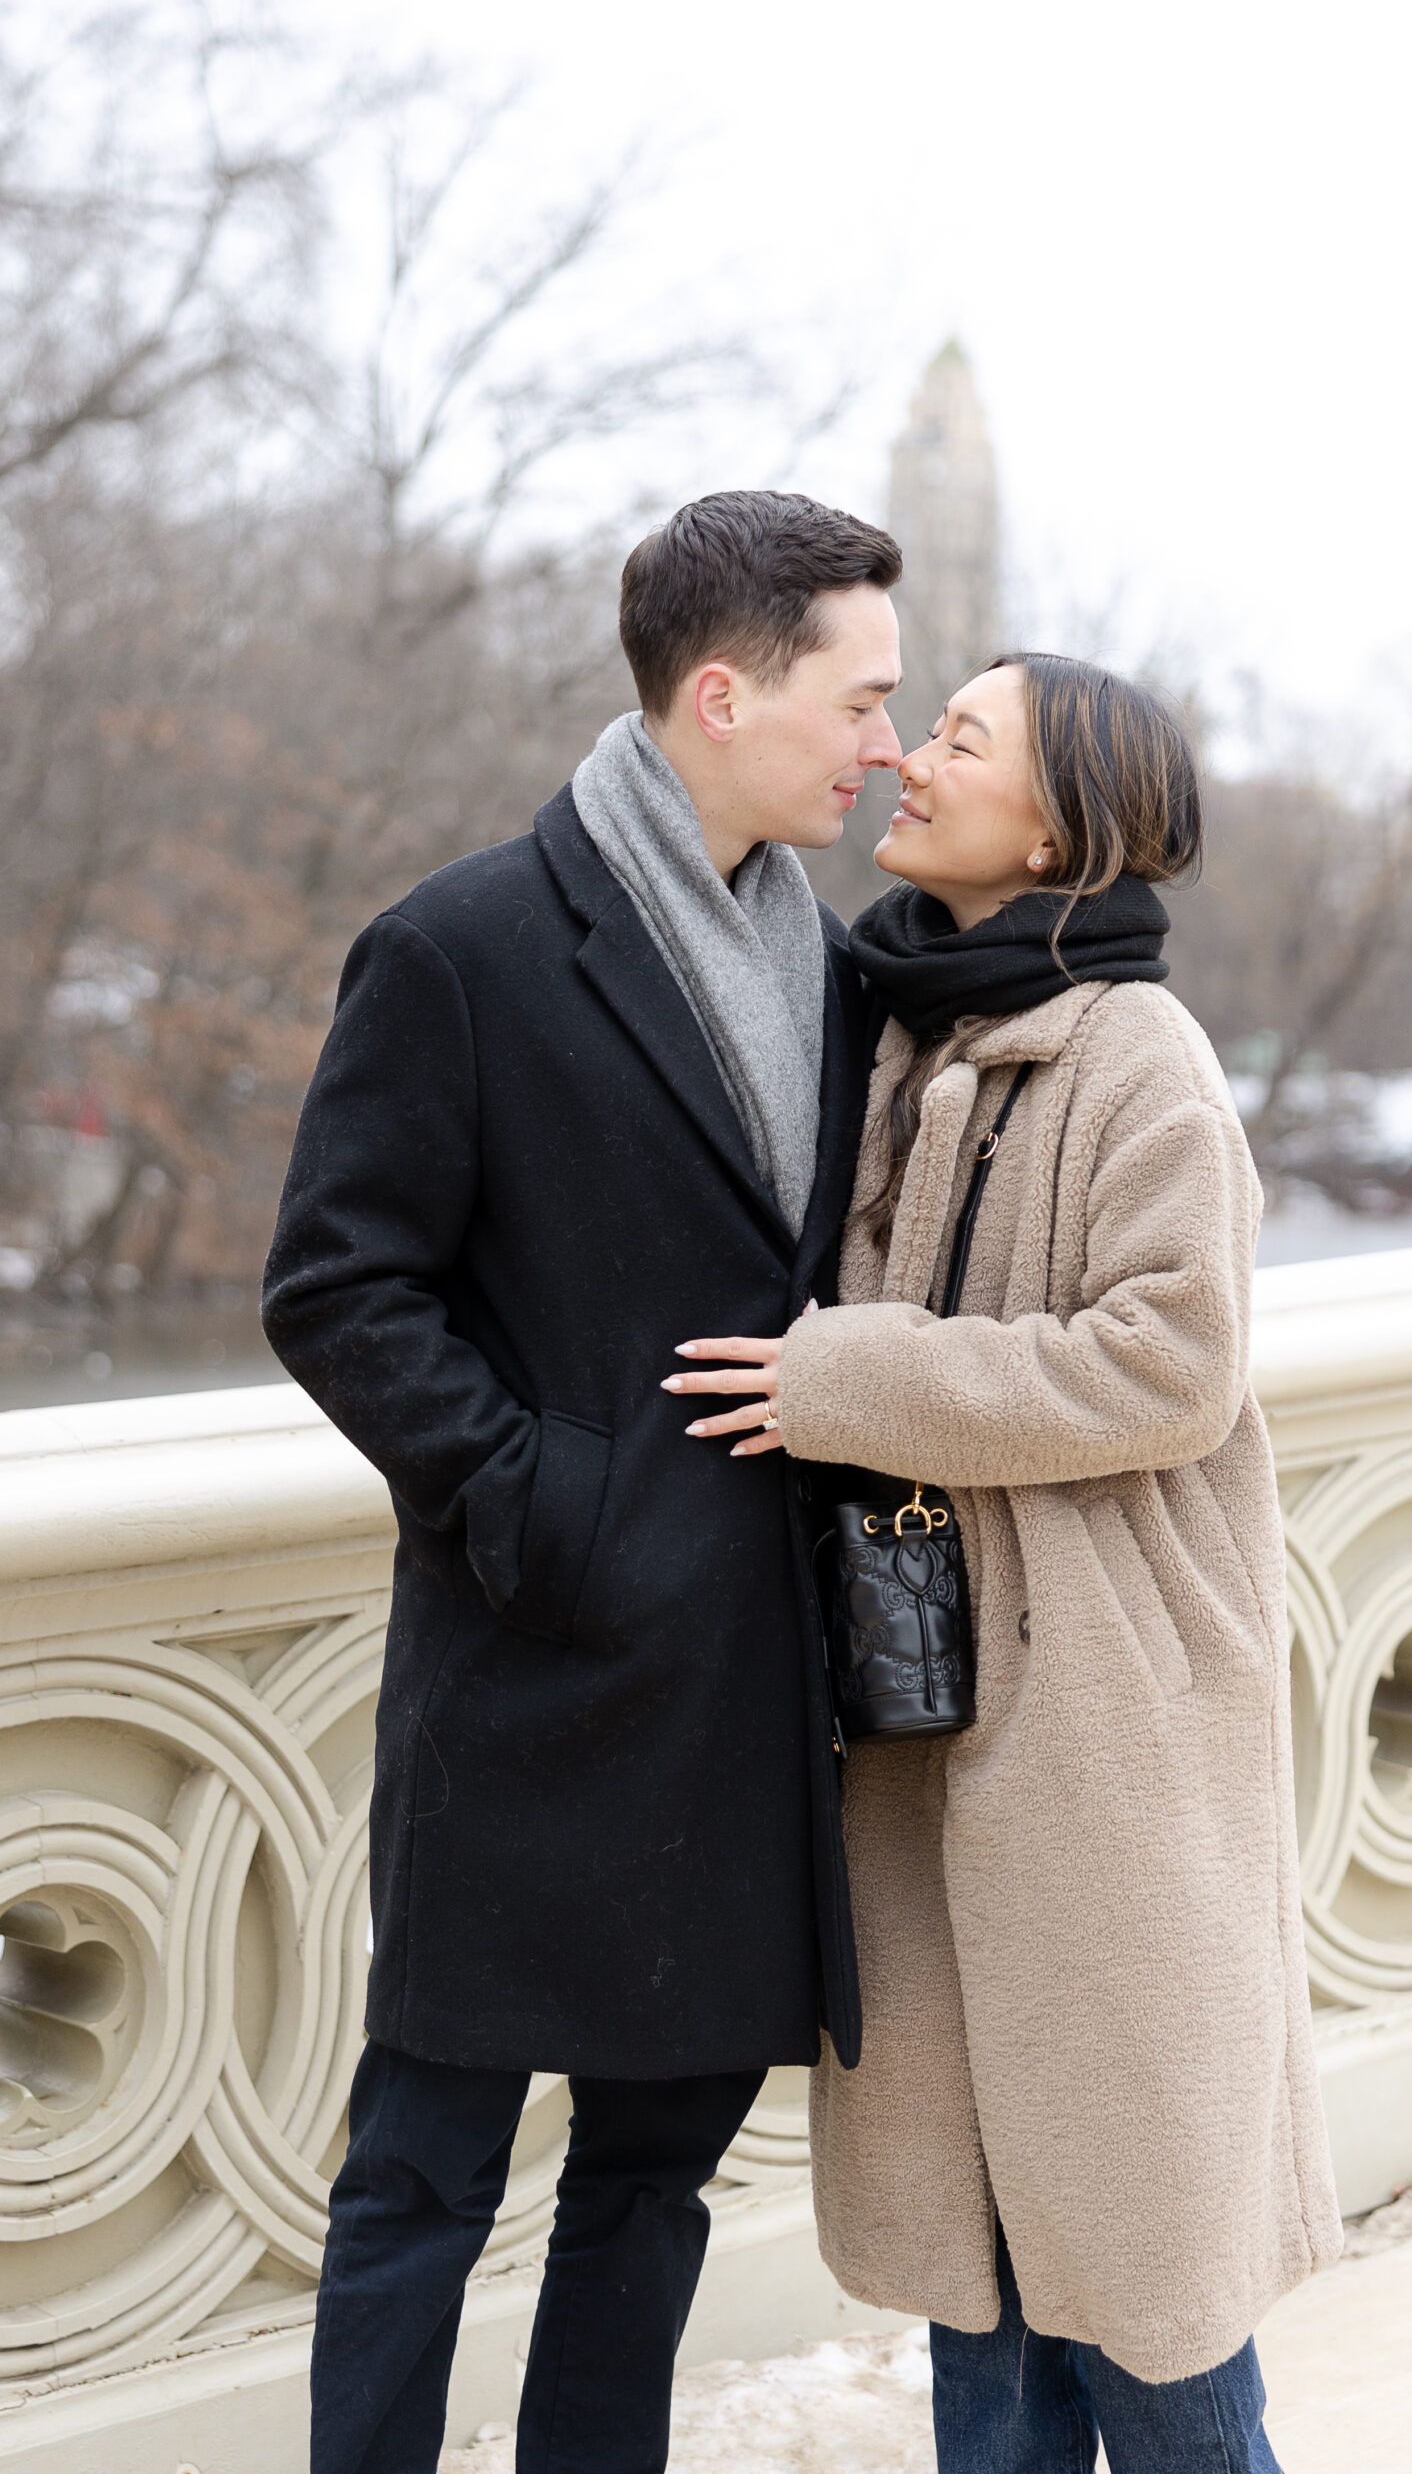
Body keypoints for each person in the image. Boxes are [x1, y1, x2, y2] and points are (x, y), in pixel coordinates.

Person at [261, 490, 904, 2474]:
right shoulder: (459, 944)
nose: (883, 740)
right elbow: (336, 1282)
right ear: (720, 692)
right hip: (532, 1666)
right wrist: (546, 1495)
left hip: (744, 1696)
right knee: (422, 2173)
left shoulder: (851, 976)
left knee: (651, 2184)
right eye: (859, 699)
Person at [671, 652, 1343, 2471]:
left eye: (957, 738)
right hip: (925, 1709)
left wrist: (850, 1381)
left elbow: (1173, 1364)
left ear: (1055, 822)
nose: (906, 755)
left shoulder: (1144, 1062)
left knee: (1148, 2309)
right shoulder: (902, 1020)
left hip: (1102, 1715)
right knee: (982, 2293)